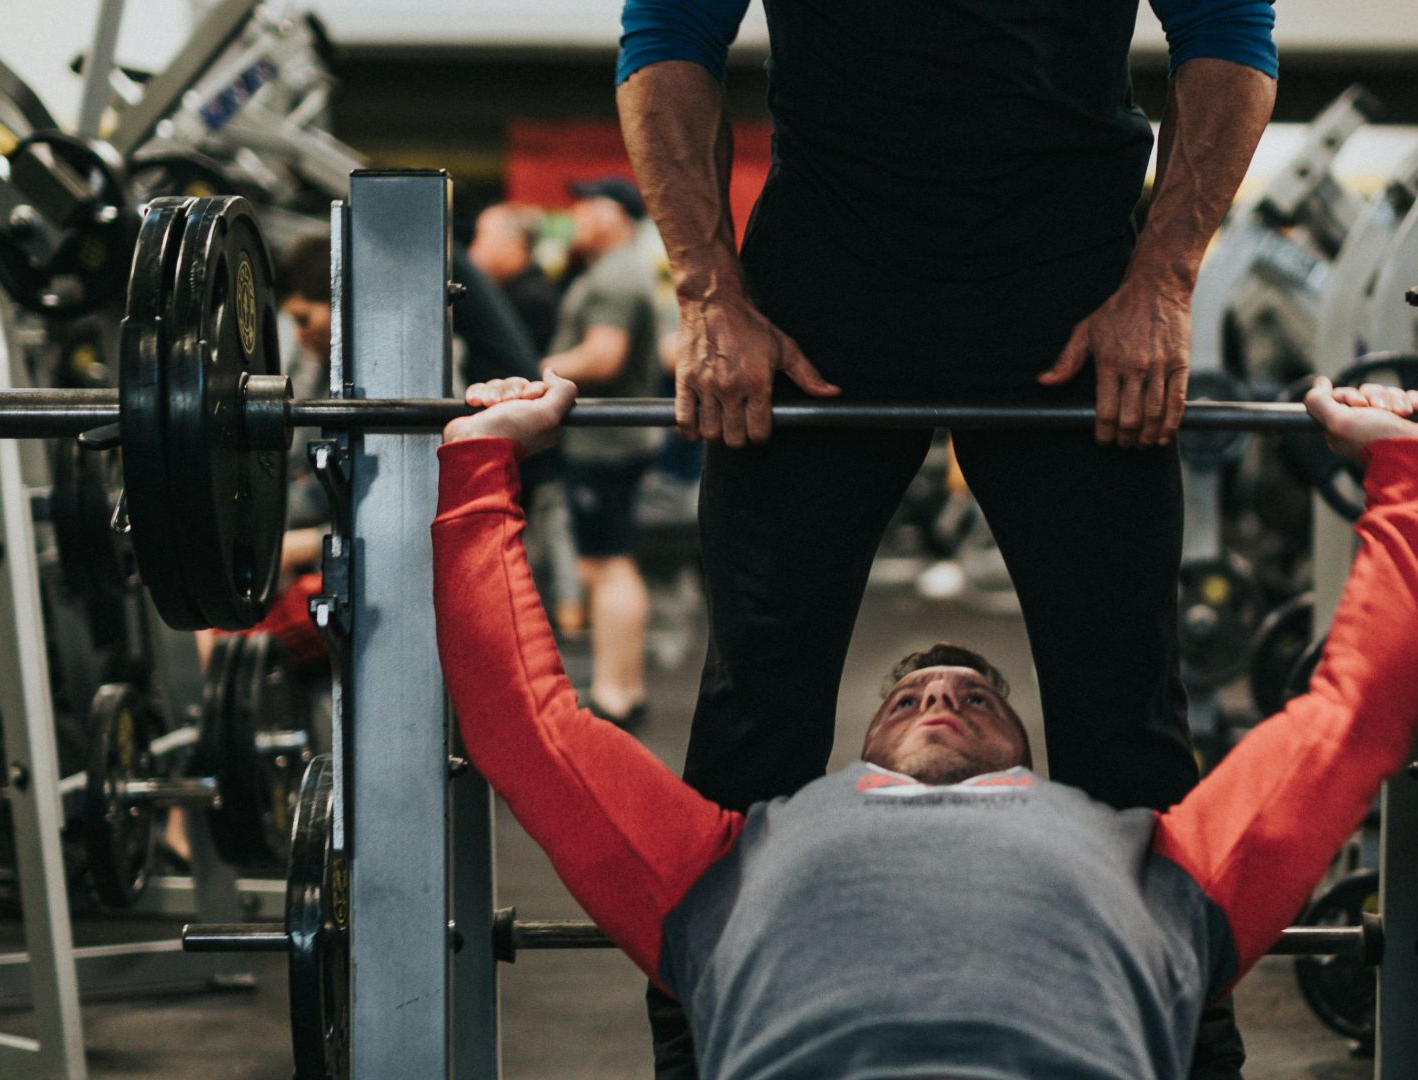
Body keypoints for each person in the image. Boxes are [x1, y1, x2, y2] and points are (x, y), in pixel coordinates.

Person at [433, 370, 1418, 1079]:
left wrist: (1405, 469)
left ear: (1037, 770)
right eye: (913, 697)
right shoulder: (724, 864)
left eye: (975, 697)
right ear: (855, 756)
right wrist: (479, 463)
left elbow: (1350, 719)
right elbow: (528, 726)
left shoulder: (1157, 863)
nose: (942, 700)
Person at [617, 3, 1278, 1068]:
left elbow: (1232, 33)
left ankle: (1177, 1054)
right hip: (823, 287)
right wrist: (708, 293)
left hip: (1070, 286)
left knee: (1127, 714)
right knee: (754, 710)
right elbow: (665, 38)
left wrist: (1162, 282)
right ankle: (707, 1053)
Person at [540, 177, 665, 723]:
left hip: (608, 445)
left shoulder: (616, 276)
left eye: (586, 207)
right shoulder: (615, 270)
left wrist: (534, 376)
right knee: (604, 564)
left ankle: (618, 695)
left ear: (614, 215)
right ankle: (620, 688)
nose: (577, 218)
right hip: (607, 443)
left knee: (608, 565)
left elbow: (604, 355)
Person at [469, 203, 561, 362]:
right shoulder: (506, 290)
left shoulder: (533, 298)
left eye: (480, 236)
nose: (472, 250)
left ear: (512, 244)